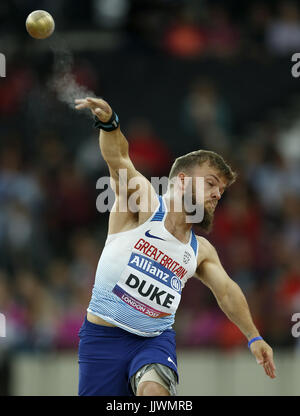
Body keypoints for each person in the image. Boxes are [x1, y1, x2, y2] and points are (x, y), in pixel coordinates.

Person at [74, 97, 276, 396]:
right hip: (102, 338)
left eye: (221, 189)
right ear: (181, 180)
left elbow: (226, 290)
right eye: (211, 183)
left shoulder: (200, 250)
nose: (217, 194)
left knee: (153, 392)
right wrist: (109, 123)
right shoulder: (144, 203)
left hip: (154, 341)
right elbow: (118, 159)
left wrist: (253, 336)